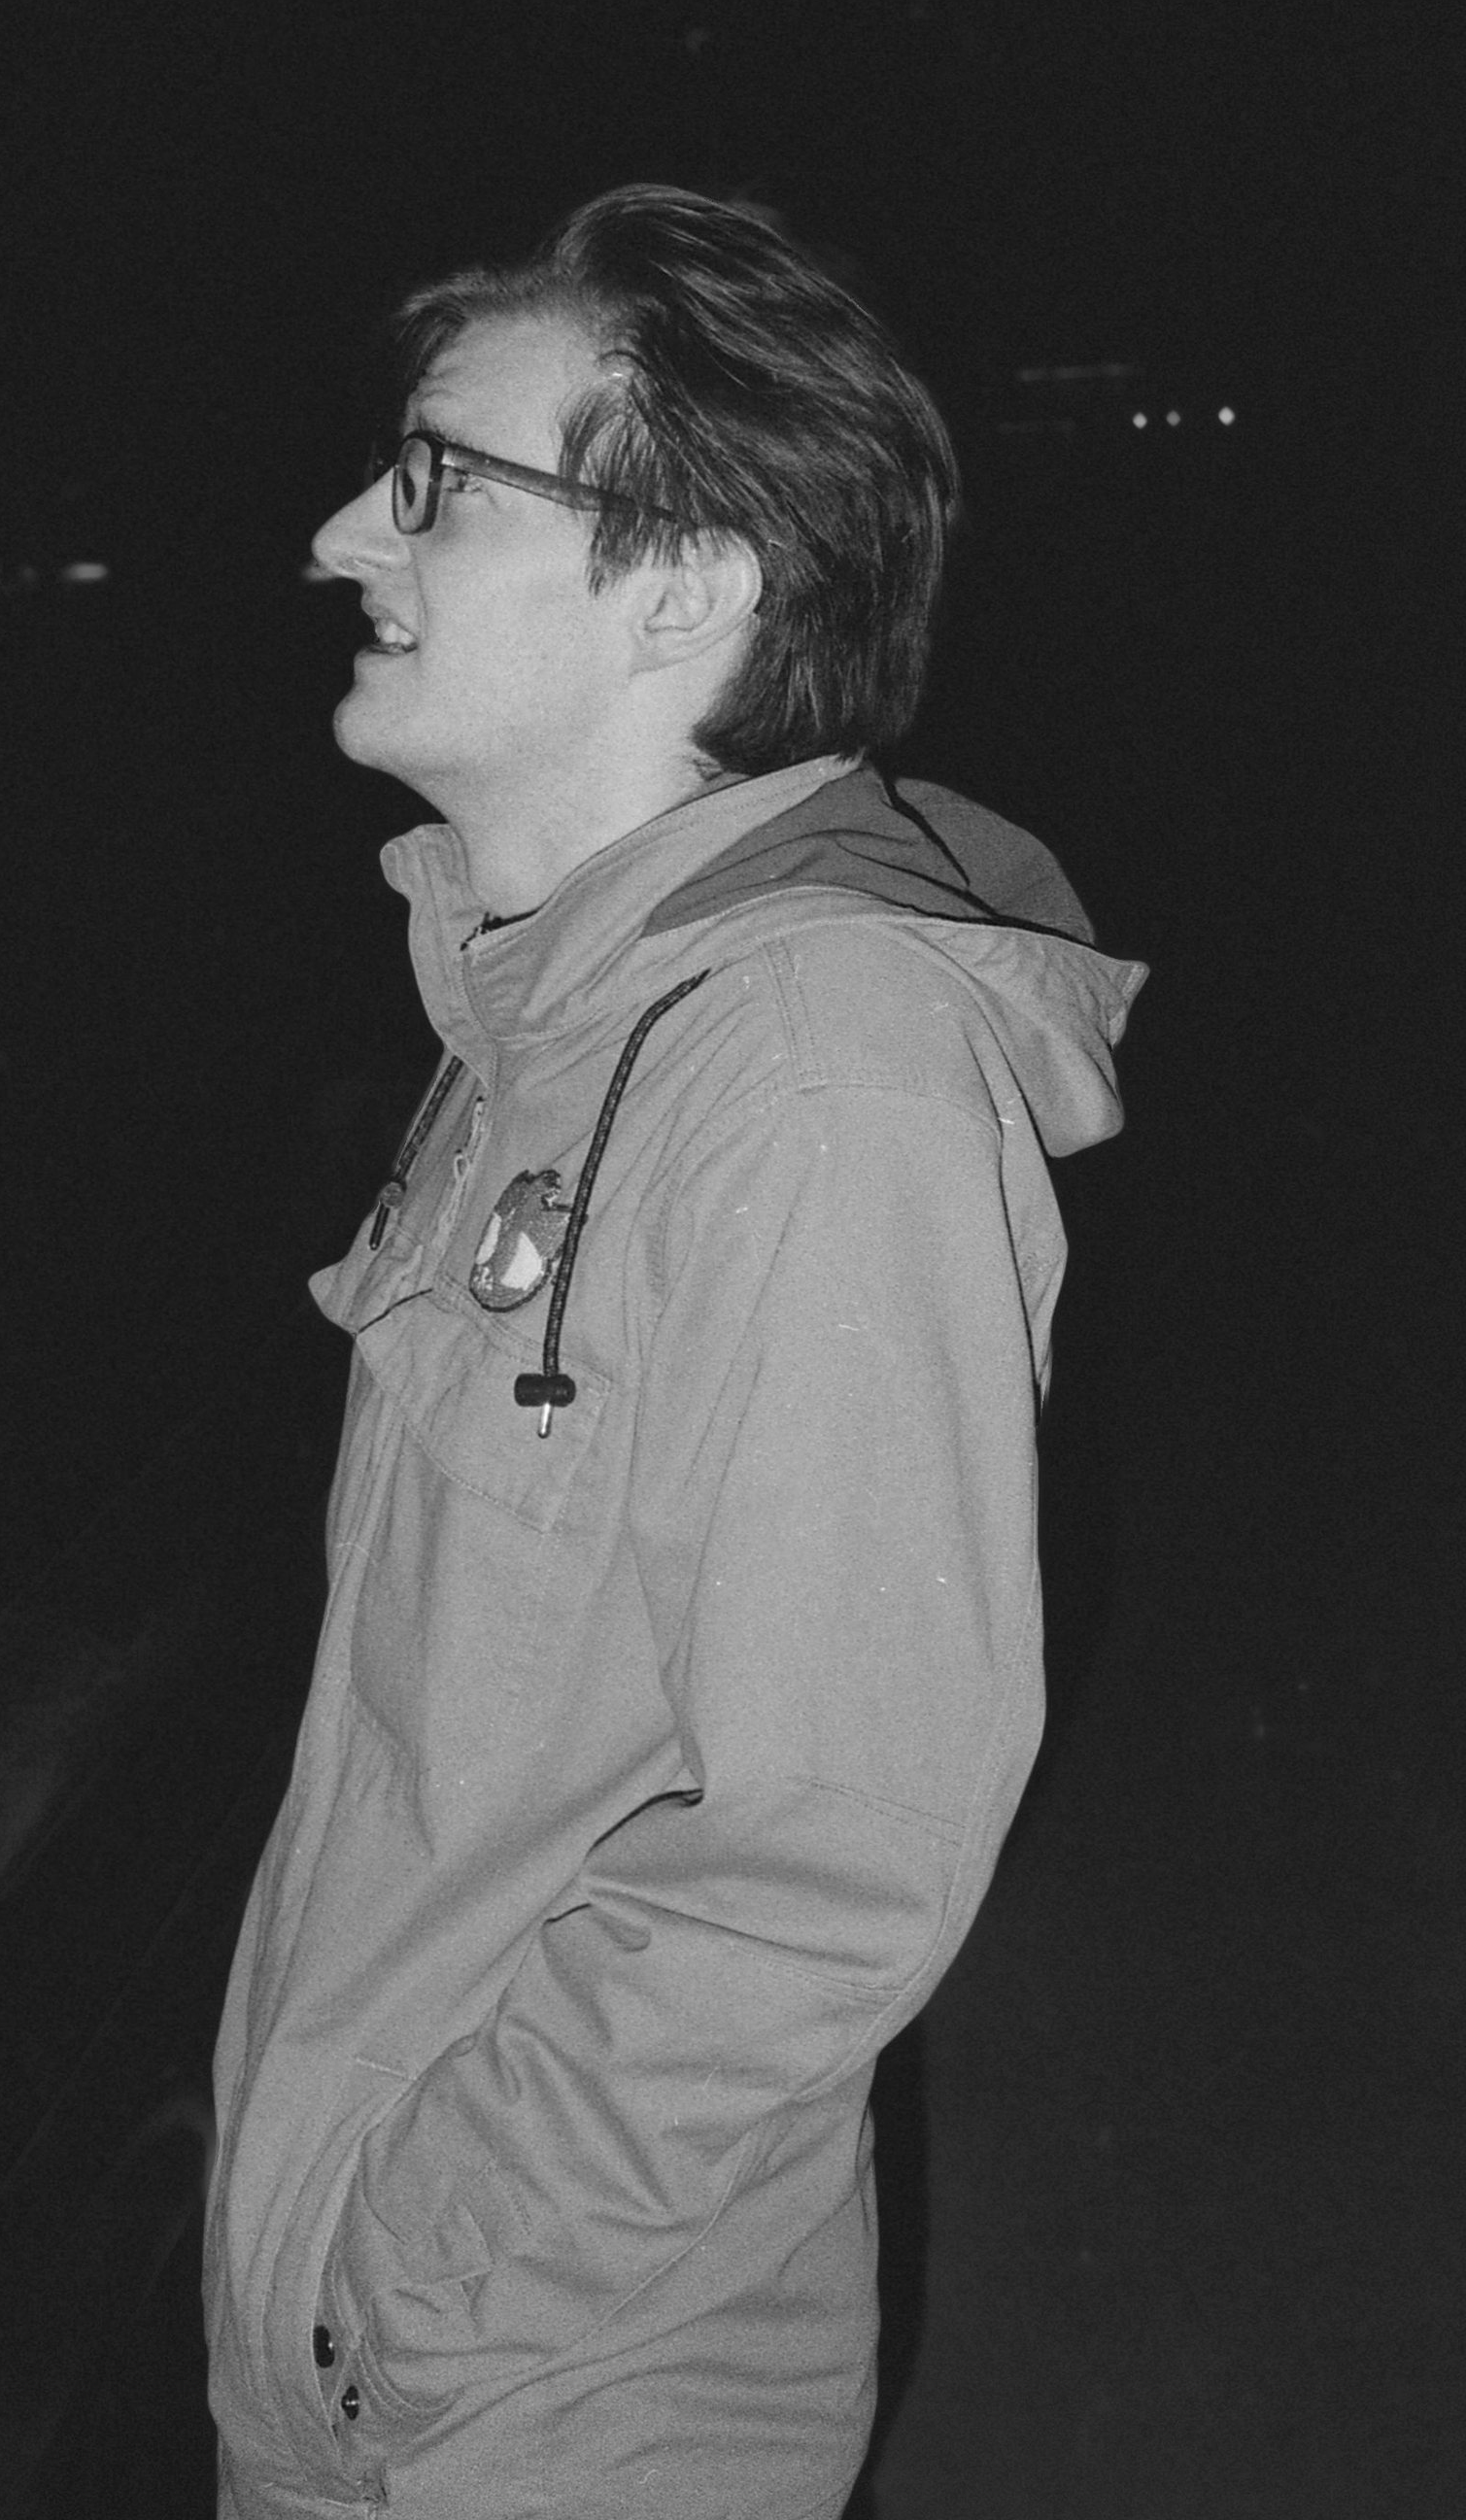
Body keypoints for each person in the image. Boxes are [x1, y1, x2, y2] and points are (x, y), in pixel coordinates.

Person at [203, 185, 1144, 2520]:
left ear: (685, 587)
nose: (345, 534)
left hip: (550, 2394)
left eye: (435, 480)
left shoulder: (815, 1071)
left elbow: (833, 1849)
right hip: (369, 2336)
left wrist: (418, 2284)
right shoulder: (542, 1027)